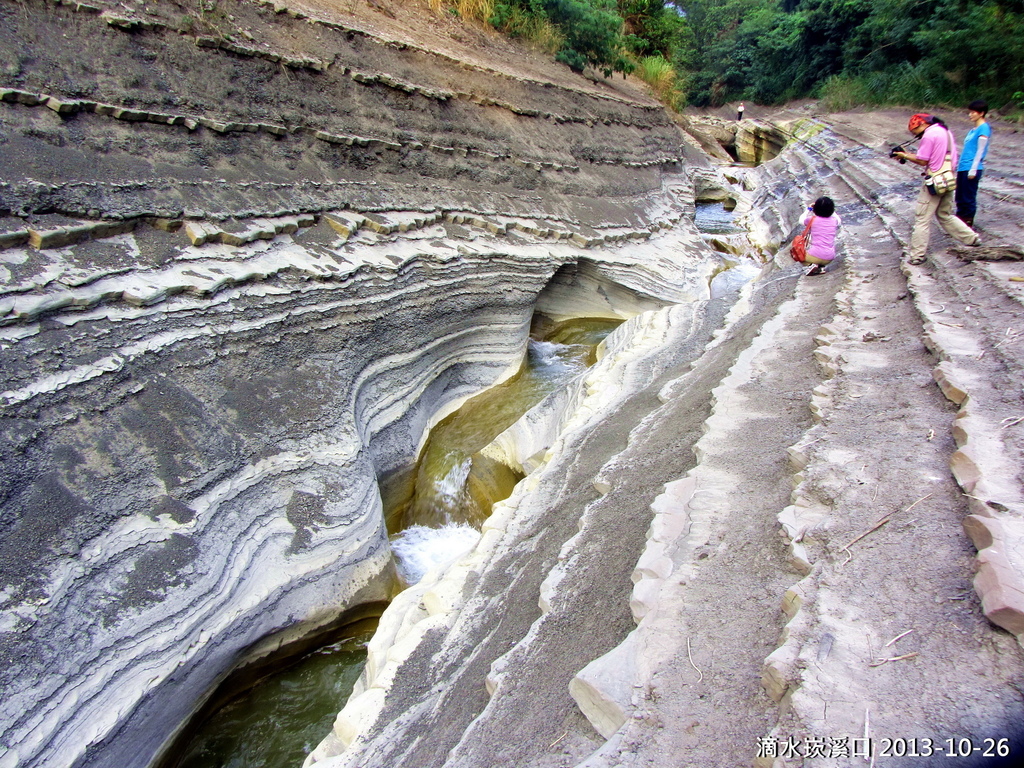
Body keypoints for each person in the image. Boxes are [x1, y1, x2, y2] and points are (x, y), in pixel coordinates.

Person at [893, 113, 980, 265]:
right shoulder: (945, 132)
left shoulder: (929, 135)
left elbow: (922, 160)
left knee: (922, 218)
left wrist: (904, 155)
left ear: (920, 124)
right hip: (949, 177)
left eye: (914, 132)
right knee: (944, 214)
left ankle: (917, 255)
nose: (915, 135)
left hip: (935, 180)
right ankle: (972, 238)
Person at [955, 99, 991, 227]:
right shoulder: (973, 130)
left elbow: (980, 150)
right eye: (969, 112)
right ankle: (959, 222)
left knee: (968, 196)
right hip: (963, 166)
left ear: (981, 113)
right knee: (960, 196)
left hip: (971, 167)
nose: (970, 115)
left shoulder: (984, 128)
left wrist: (973, 169)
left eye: (973, 112)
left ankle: (967, 223)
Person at [800, 196, 840, 276]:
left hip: (815, 255)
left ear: (815, 209)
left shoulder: (812, 220)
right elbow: (839, 219)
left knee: (798, 255)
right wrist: (830, 209)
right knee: (822, 251)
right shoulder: (834, 221)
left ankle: (811, 265)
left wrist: (809, 209)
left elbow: (801, 220)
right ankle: (821, 267)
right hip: (830, 257)